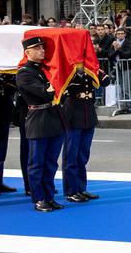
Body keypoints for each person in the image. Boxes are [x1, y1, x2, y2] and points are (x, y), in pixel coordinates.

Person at [16, 37, 66, 212]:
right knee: (37, 163)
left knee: (51, 162)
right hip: (38, 118)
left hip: (54, 117)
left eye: (42, 48)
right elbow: (45, 93)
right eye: (37, 49)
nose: (42, 51)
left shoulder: (46, 70)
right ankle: (39, 198)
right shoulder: (24, 73)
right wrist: (54, 86)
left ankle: (49, 196)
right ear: (27, 52)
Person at [61, 67, 109, 202]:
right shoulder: (68, 71)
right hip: (73, 113)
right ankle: (71, 190)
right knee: (71, 155)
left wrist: (97, 71)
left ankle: (81, 188)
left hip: (88, 113)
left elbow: (106, 82)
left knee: (82, 155)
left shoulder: (91, 71)